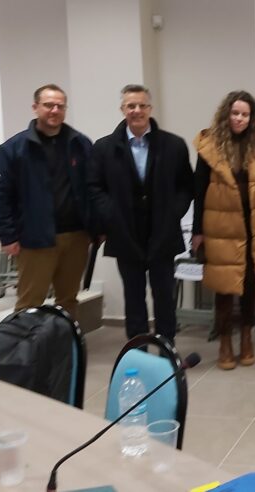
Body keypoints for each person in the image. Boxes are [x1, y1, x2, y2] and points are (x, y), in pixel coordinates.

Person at [87, 84, 193, 343]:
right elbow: (94, 188)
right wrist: (112, 216)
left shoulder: (174, 145)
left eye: (142, 105)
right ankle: (137, 350)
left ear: (150, 108)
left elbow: (186, 186)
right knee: (133, 297)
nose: (137, 110)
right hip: (125, 234)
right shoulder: (103, 148)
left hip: (162, 234)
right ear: (122, 109)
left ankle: (167, 348)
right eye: (130, 106)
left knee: (164, 296)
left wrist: (172, 214)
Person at [191, 91, 255, 370]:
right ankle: (225, 340)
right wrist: (197, 232)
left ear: (252, 118)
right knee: (224, 287)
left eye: (245, 114)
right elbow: (198, 191)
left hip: (253, 228)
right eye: (235, 113)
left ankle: (247, 337)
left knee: (250, 284)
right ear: (226, 114)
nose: (240, 118)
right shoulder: (209, 147)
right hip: (220, 229)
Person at [0, 84, 93, 316]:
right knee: (29, 304)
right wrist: (7, 236)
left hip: (76, 237)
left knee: (68, 301)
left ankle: (66, 340)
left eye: (60, 106)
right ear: (35, 107)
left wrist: (96, 227)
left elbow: (92, 188)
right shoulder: (12, 149)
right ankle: (28, 341)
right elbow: (0, 196)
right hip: (34, 239)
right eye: (48, 105)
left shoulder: (80, 144)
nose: (54, 110)